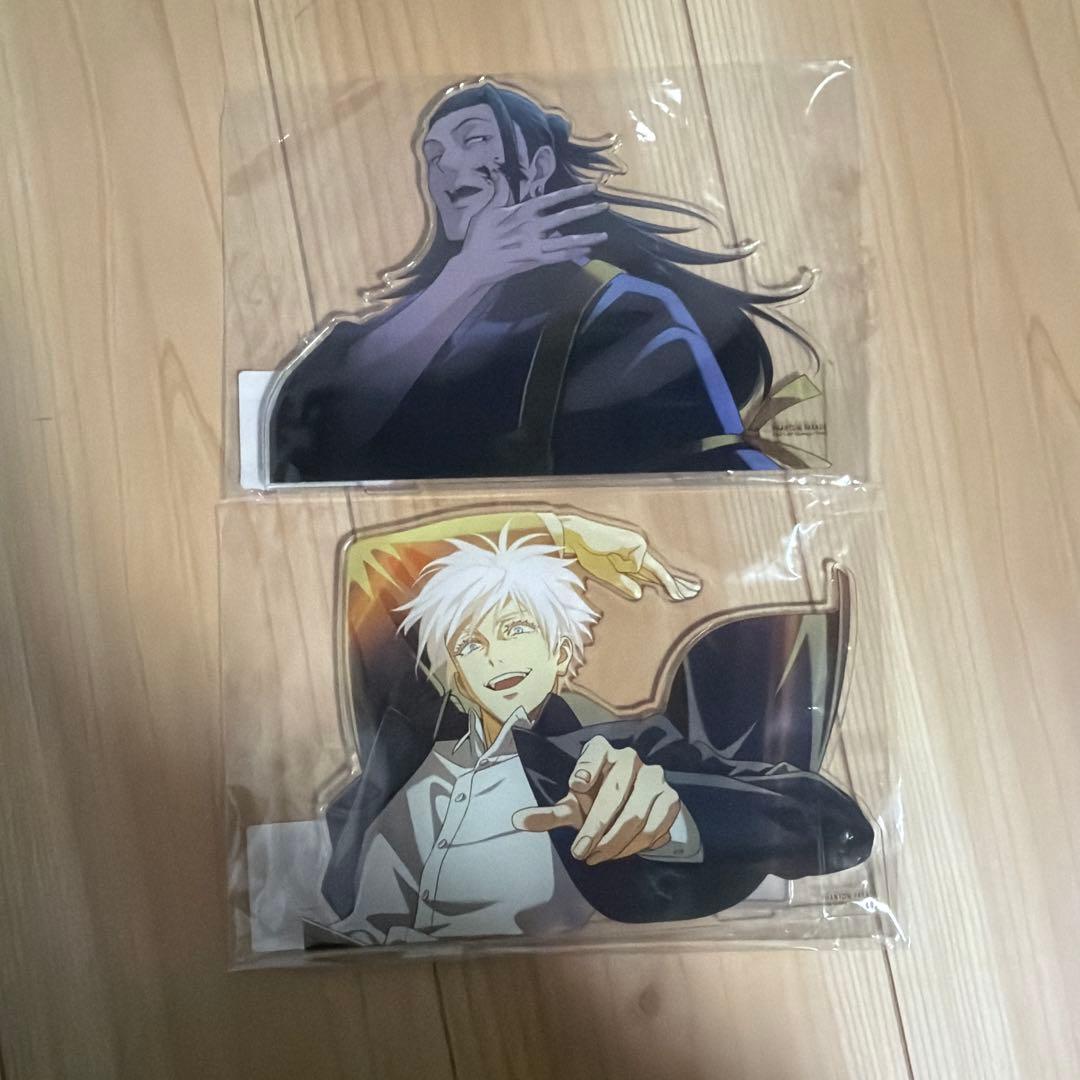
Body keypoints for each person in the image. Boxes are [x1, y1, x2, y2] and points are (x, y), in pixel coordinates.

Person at [312, 513, 872, 946]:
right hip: (350, 966)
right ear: (453, 673)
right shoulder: (414, 750)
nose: (495, 656)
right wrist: (561, 532)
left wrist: (674, 819)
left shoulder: (608, 751)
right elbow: (371, 565)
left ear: (559, 651)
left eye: (515, 629)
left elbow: (824, 823)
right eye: (470, 644)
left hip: (525, 985)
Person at [267, 80, 821, 483]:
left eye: (474, 140)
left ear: (535, 168)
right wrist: (466, 275)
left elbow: (710, 474)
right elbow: (315, 428)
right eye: (434, 155)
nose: (447, 166)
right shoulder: (432, 310)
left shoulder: (630, 313)